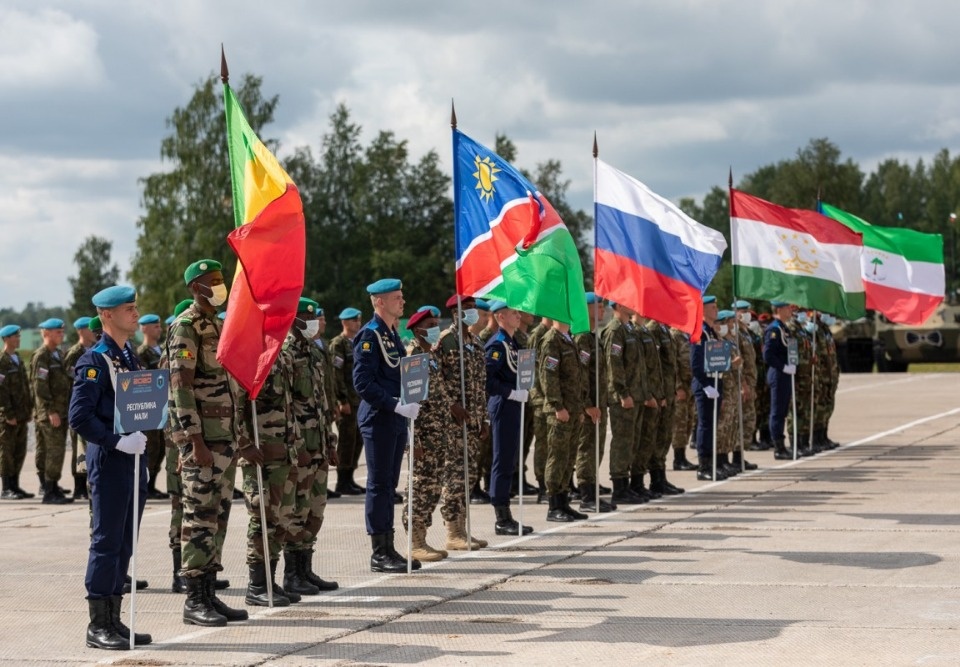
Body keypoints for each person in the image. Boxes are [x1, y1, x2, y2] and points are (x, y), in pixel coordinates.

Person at [68, 285, 152, 650]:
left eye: (135, 307)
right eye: (128, 308)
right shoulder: (95, 360)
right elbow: (79, 417)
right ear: (107, 316)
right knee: (106, 543)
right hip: (111, 458)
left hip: (133, 459)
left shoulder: (127, 356)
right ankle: (97, 625)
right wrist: (117, 441)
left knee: (124, 544)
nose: (135, 313)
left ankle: (115, 620)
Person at [168, 259, 250, 626]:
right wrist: (193, 440)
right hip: (203, 442)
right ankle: (194, 601)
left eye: (220, 280)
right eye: (212, 281)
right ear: (194, 288)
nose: (219, 286)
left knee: (217, 518)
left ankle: (210, 595)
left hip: (225, 439)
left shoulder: (220, 323)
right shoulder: (186, 328)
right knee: (198, 518)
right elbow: (180, 387)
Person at [353, 278, 422, 573]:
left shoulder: (392, 335)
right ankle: (378, 552)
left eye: (402, 297)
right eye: (396, 297)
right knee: (380, 485)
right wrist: (395, 403)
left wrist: (407, 404)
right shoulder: (370, 336)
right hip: (379, 417)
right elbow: (362, 383)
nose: (402, 302)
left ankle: (389, 547)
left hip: (394, 418)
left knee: (390, 485)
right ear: (379, 301)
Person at [283, 297, 340, 594]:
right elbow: (287, 406)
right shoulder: (287, 355)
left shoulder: (315, 355)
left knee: (315, 511)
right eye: (306, 318)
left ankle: (306, 569)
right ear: (294, 322)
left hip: (318, 445)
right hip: (301, 448)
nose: (313, 322)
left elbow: (322, 403)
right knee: (297, 510)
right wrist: (297, 444)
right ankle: (292, 574)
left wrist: (330, 442)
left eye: (314, 317)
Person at [240, 329, 298, 607]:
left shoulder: (280, 354)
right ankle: (256, 584)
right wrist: (244, 444)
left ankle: (270, 579)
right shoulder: (248, 356)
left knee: (280, 518)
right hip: (260, 452)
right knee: (262, 518)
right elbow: (236, 406)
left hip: (284, 451)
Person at [402, 306, 454, 560]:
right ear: (418, 330)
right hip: (424, 436)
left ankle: (422, 539)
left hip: (438, 434)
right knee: (420, 487)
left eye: (436, 324)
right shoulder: (414, 357)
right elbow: (410, 404)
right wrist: (415, 441)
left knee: (433, 488)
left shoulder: (430, 355)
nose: (435, 329)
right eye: (431, 325)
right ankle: (414, 541)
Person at [436, 295, 488, 550]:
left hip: (474, 422)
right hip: (453, 424)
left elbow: (480, 384)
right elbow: (435, 379)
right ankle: (452, 532)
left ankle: (463, 528)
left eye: (473, 308)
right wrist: (450, 406)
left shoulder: (475, 341)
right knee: (454, 477)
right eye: (467, 309)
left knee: (469, 476)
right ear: (455, 313)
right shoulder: (445, 341)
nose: (472, 313)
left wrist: (484, 418)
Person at [484, 301, 535, 535]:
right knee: (502, 460)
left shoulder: (512, 342)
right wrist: (511, 392)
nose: (518, 316)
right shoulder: (497, 344)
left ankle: (506, 513)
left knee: (510, 458)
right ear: (500, 317)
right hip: (504, 405)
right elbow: (487, 380)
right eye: (513, 313)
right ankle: (501, 517)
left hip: (515, 406)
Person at [539, 317, 591, 522]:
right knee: (557, 457)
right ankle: (553, 505)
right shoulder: (551, 340)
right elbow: (548, 377)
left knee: (569, 457)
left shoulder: (568, 339)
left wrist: (579, 408)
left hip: (572, 409)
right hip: (559, 411)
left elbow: (576, 377)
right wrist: (557, 406)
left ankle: (564, 502)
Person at [573, 293, 615, 511]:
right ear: (585, 307)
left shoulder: (593, 336)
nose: (601, 310)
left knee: (596, 449)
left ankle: (592, 492)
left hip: (600, 403)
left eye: (602, 307)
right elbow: (579, 374)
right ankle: (586, 497)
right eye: (597, 307)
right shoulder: (581, 337)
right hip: (589, 406)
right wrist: (587, 404)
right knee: (587, 449)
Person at [601, 303, 646, 504]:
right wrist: (622, 393)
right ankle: (619, 488)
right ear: (617, 305)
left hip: (635, 394)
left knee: (632, 442)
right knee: (622, 441)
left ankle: (628, 486)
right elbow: (614, 366)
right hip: (623, 397)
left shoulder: (629, 330)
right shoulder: (614, 330)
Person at [31, 318, 73, 504]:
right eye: (57, 332)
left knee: (58, 450)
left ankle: (53, 487)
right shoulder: (42, 356)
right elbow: (40, 387)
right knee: (53, 451)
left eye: (62, 331)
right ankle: (49, 492)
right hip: (51, 413)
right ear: (46, 334)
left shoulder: (57, 354)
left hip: (61, 410)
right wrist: (50, 410)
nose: (61, 334)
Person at [330, 307, 364, 495]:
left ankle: (349, 478)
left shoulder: (358, 342)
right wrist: (342, 400)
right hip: (347, 403)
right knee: (346, 441)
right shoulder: (338, 344)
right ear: (344, 323)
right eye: (353, 321)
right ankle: (342, 481)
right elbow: (336, 375)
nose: (357, 324)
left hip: (360, 401)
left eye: (358, 320)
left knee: (358, 440)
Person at [691, 296, 724, 481]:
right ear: (702, 310)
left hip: (716, 383)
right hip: (706, 385)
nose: (716, 310)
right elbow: (695, 364)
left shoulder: (711, 332)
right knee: (705, 425)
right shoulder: (700, 332)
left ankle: (711, 464)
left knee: (712, 426)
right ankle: (703, 466)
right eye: (712, 307)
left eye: (716, 306)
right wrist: (705, 385)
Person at [0, 325, 34, 500]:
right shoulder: (2, 360)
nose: (18, 339)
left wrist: (27, 410)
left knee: (19, 451)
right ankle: (6, 488)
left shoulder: (17, 359)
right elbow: (1, 390)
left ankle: (15, 485)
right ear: (6, 339)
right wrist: (8, 414)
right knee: (6, 452)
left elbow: (24, 387)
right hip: (8, 416)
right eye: (15, 336)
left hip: (21, 414)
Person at [136, 314, 168, 500]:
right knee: (151, 446)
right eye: (155, 326)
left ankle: (152, 484)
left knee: (161, 447)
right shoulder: (142, 353)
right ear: (144, 329)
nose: (159, 329)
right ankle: (145, 485)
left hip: (164, 404)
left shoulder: (163, 350)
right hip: (151, 405)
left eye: (159, 326)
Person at [64, 317, 96, 500]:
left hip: (90, 407)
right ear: (81, 331)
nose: (93, 332)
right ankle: (79, 488)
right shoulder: (74, 353)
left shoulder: (92, 350)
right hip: (78, 407)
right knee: (79, 450)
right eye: (89, 329)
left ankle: (86, 485)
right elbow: (69, 383)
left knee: (88, 447)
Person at [763, 301, 797, 460]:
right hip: (778, 374)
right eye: (787, 308)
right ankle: (778, 447)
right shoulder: (774, 330)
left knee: (782, 411)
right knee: (777, 412)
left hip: (785, 374)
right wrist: (783, 367)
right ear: (779, 310)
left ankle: (781, 445)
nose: (790, 310)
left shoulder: (784, 328)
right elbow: (768, 355)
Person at [670, 326, 698, 471]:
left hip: (691, 385)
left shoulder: (688, 334)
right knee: (679, 424)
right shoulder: (675, 335)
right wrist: (678, 386)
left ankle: (683, 456)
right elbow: (672, 363)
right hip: (681, 387)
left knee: (688, 422)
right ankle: (678, 459)